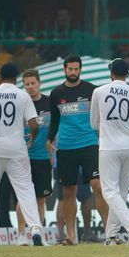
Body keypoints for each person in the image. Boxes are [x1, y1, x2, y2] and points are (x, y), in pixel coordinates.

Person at [0, 63, 44, 247]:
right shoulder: (23, 96)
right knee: (26, 189)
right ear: (17, 78)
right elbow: (34, 125)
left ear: (0, 76)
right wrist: (31, 140)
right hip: (15, 147)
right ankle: (35, 228)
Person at [90, 59, 129, 246]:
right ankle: (112, 236)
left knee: (109, 191)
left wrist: (107, 128)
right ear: (127, 74)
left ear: (111, 73)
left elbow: (94, 123)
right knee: (121, 193)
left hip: (108, 145)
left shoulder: (99, 92)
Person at [48, 55, 105, 245]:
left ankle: (110, 233)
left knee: (98, 186)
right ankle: (71, 235)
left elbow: (100, 117)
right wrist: (49, 139)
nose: (73, 72)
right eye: (70, 69)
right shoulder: (56, 93)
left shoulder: (92, 90)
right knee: (68, 191)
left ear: (80, 69)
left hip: (89, 144)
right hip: (66, 147)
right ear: (64, 69)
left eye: (76, 69)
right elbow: (55, 120)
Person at [11, 69, 54, 245]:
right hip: (23, 157)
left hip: (43, 157)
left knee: (40, 198)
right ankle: (21, 235)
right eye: (27, 84)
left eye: (33, 83)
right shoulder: (20, 103)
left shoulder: (48, 103)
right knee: (23, 197)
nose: (30, 87)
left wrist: (52, 146)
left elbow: (54, 126)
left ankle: (38, 234)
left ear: (39, 83)